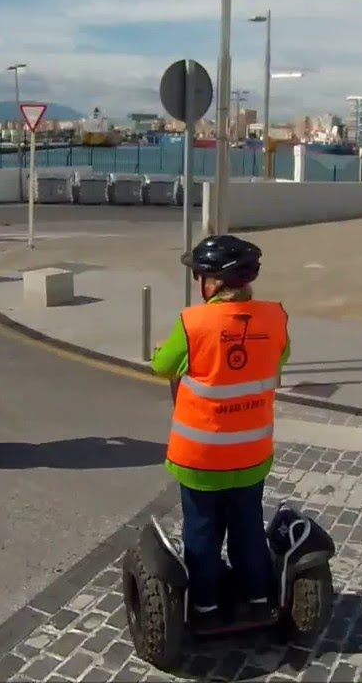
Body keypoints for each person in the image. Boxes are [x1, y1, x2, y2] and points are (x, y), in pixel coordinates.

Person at [150, 234, 291, 629]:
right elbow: (281, 355)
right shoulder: (275, 318)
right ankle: (259, 599)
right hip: (251, 454)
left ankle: (206, 609)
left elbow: (162, 366)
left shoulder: (193, 323)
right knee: (248, 527)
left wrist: (166, 351)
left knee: (202, 531)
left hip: (202, 457)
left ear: (212, 283)